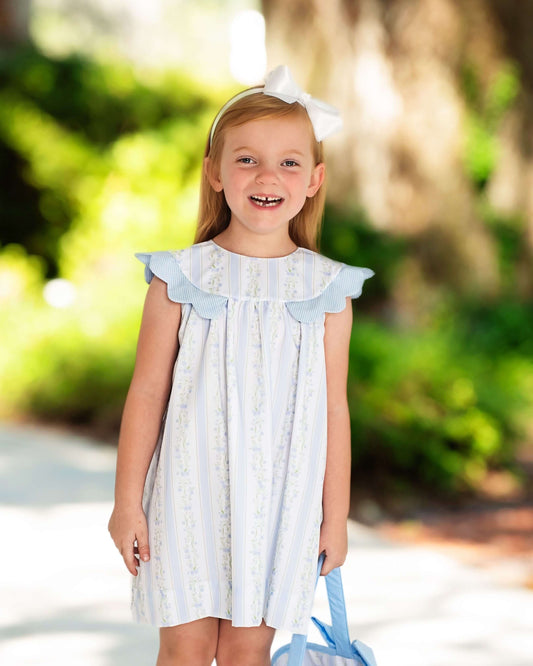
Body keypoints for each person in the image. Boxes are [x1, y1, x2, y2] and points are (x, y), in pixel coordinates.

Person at [108, 65, 374, 666]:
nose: (267, 176)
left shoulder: (328, 289)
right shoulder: (179, 277)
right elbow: (146, 394)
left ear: (314, 179)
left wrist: (337, 519)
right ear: (215, 170)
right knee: (186, 647)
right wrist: (127, 502)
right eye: (247, 159)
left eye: (289, 162)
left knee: (248, 653)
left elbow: (335, 409)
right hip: (186, 495)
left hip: (282, 505)